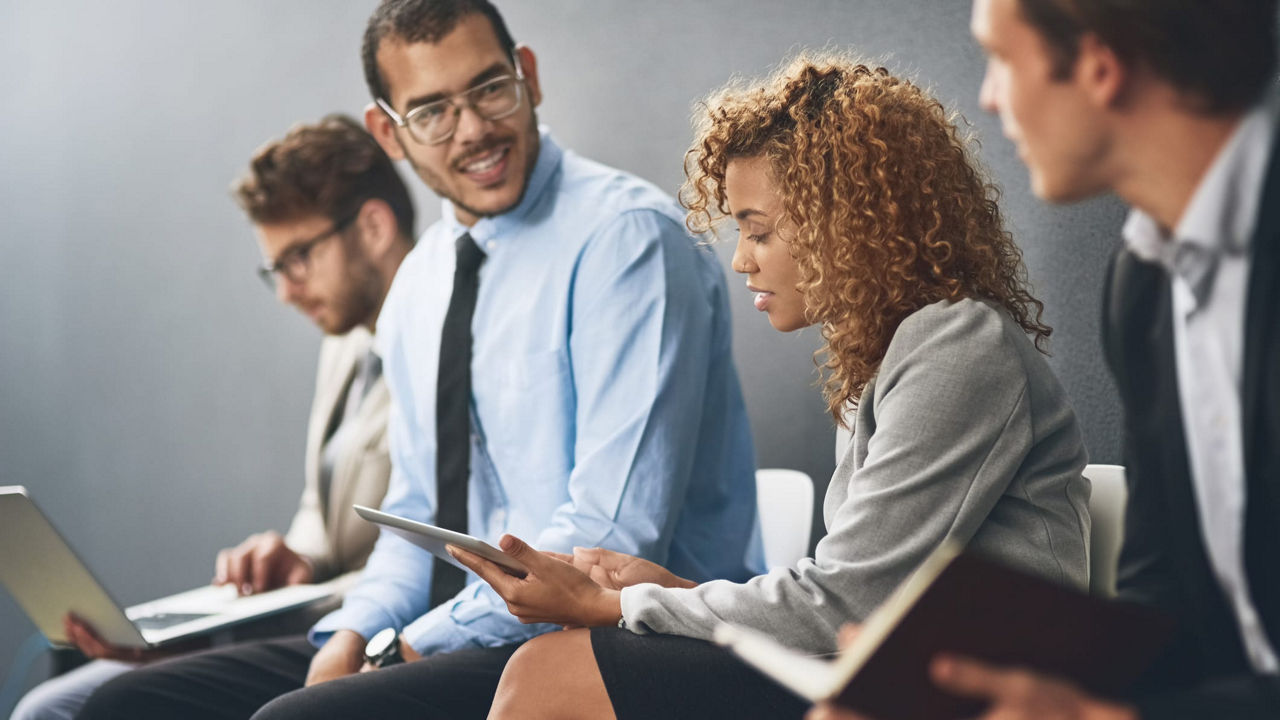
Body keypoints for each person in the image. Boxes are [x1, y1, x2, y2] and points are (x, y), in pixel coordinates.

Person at [75, 1, 759, 718]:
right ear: (389, 133)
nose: (473, 130)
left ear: (528, 76)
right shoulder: (421, 281)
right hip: (455, 628)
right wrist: (350, 635)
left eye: (490, 89)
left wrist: (401, 650)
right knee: (125, 705)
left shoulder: (627, 243)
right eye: (431, 111)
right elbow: (410, 521)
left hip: (625, 638)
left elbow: (606, 541)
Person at [449, 53, 1093, 720]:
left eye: (758, 230)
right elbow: (847, 599)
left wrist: (617, 604)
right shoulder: (882, 363)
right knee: (555, 665)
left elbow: (848, 602)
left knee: (553, 670)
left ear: (849, 219)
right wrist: (673, 592)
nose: (740, 258)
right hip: (888, 674)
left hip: (984, 696)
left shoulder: (960, 345)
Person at [809, 1, 1280, 718]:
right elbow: (1167, 608)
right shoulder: (1143, 284)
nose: (990, 98)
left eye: (1001, 58)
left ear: (1099, 67)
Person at [10, 115, 411, 720]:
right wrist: (292, 557)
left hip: (369, 630)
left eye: (298, 258)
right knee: (49, 704)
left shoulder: (449, 348)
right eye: (276, 268)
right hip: (310, 612)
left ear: (375, 227)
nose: (287, 291)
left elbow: (428, 557)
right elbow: (323, 518)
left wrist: (241, 628)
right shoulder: (347, 340)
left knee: (89, 707)